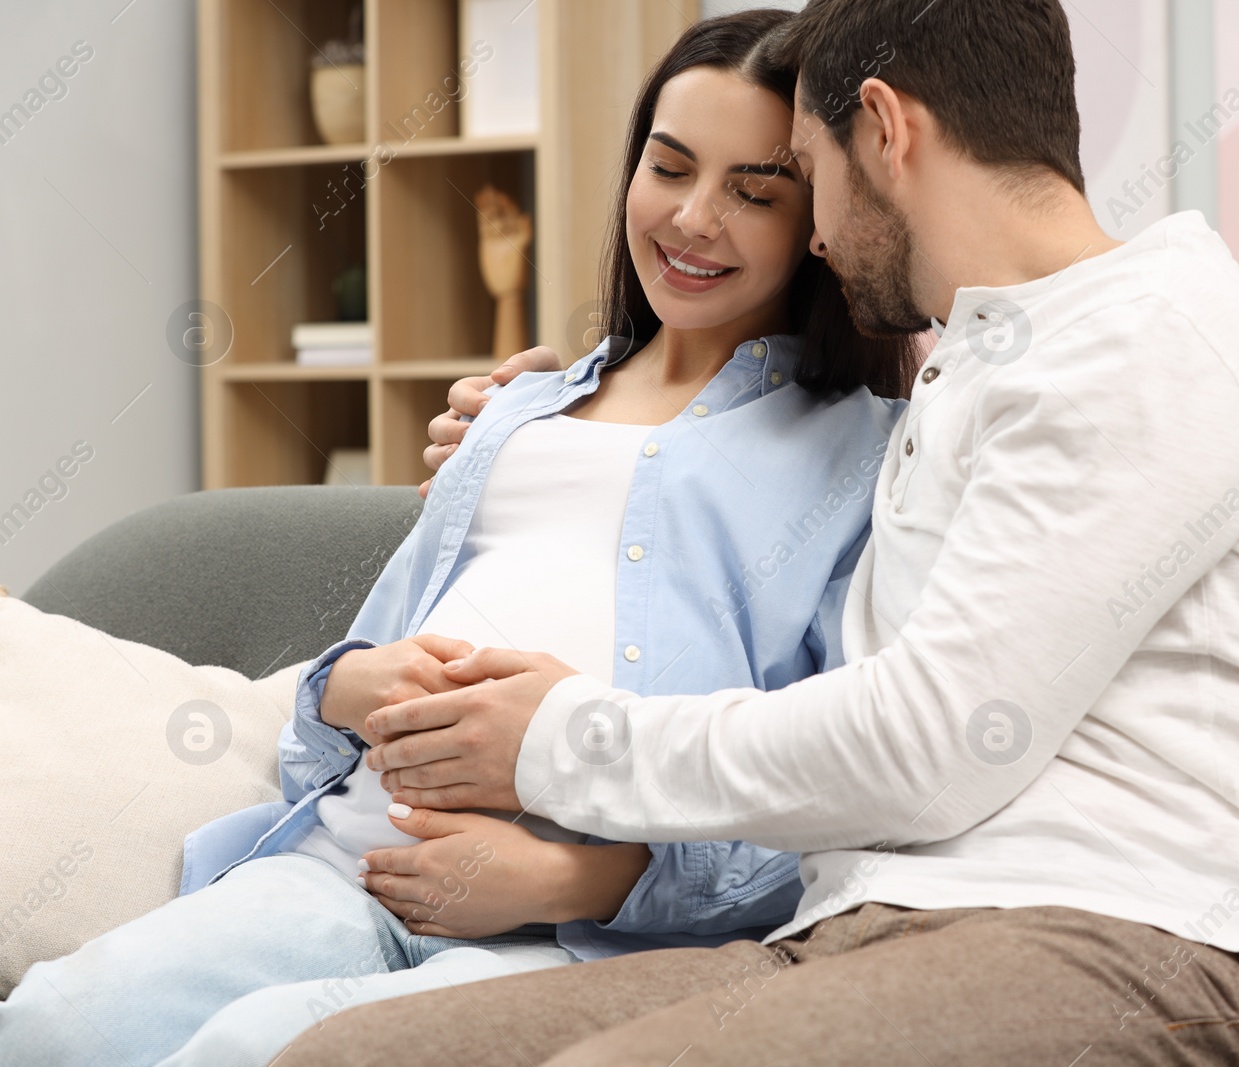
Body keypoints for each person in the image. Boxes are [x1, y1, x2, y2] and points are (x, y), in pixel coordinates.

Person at [271, 1, 1239, 1065]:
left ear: (883, 129)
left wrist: (556, 739)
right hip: (860, 928)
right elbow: (734, 480)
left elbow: (935, 743)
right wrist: (558, 413)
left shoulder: (1147, 342)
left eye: (799, 172)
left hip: (1140, 939)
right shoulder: (973, 368)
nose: (816, 237)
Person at [0, 12, 921, 1066]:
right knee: (54, 1020)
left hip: (569, 923)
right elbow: (334, 700)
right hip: (344, 862)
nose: (694, 219)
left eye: (754, 193)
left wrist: (582, 880)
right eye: (668, 168)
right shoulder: (515, 414)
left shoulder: (866, 457)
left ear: (824, 219)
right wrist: (345, 688)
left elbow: (851, 781)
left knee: (253, 1047)